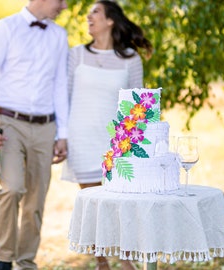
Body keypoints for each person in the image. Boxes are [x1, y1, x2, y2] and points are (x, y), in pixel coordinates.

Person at [0, 0, 69, 269]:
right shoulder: (5, 28)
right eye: (60, 0)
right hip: (9, 123)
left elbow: (60, 85)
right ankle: (4, 259)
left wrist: (62, 133)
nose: (63, 6)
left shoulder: (59, 35)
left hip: (46, 126)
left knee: (36, 200)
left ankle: (26, 261)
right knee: (13, 187)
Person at [61, 1, 152, 269]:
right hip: (81, 141)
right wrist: (61, 137)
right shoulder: (75, 55)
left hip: (116, 145)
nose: (89, 17)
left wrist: (137, 148)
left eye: (95, 12)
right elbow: (63, 98)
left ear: (111, 20)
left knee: (119, 205)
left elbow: (138, 111)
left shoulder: (130, 60)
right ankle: (102, 263)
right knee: (93, 207)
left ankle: (125, 260)